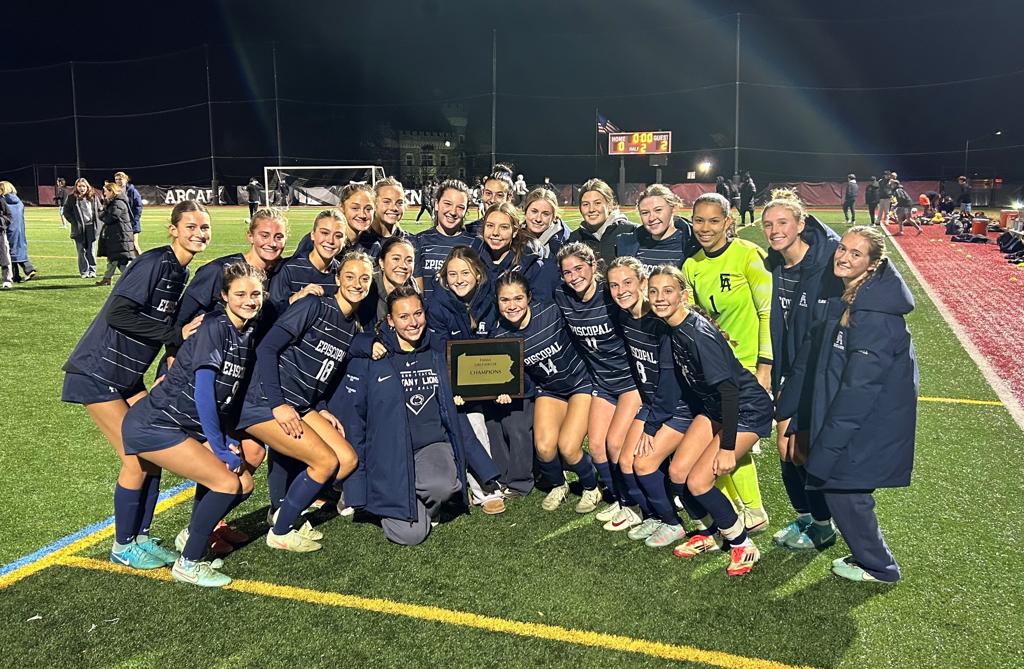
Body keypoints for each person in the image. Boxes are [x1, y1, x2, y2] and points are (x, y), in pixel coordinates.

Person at [61, 201, 210, 570]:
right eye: (191, 226)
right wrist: (175, 333)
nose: (199, 233)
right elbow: (118, 313)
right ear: (173, 229)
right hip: (98, 373)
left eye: (204, 227)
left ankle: (141, 536)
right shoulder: (154, 262)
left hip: (127, 377)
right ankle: (122, 545)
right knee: (135, 459)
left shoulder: (179, 271)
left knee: (153, 452)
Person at [777, 226, 917, 583]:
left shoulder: (873, 314)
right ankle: (862, 553)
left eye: (856, 254)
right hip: (850, 413)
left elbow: (861, 387)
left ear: (872, 264)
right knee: (839, 485)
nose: (843, 257)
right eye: (842, 248)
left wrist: (832, 439)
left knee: (845, 489)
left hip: (869, 419)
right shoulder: (850, 297)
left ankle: (879, 567)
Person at [120, 261, 265, 586]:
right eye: (240, 294)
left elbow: (224, 396)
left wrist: (224, 436)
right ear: (225, 296)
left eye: (255, 294)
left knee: (244, 484)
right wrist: (219, 447)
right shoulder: (215, 327)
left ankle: (194, 534)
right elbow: (203, 392)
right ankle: (189, 563)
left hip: (185, 426)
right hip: (156, 424)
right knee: (226, 483)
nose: (249, 300)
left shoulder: (246, 331)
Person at [236, 251, 373, 552]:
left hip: (301, 403)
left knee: (347, 460)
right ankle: (281, 530)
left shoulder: (352, 325)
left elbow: (319, 374)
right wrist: (278, 404)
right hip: (266, 400)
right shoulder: (314, 306)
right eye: (350, 276)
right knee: (325, 462)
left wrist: (321, 408)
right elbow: (267, 349)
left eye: (364, 278)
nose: (357, 283)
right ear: (337, 278)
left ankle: (283, 510)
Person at [648, 266, 773, 576]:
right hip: (716, 407)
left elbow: (730, 391)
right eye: (653, 291)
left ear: (683, 295)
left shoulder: (697, 334)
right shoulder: (671, 327)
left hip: (745, 409)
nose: (660, 297)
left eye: (667, 291)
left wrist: (727, 448)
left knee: (699, 481)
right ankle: (712, 532)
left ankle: (742, 544)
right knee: (677, 472)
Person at [334, 286, 485, 545]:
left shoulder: (437, 349)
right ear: (390, 320)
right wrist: (357, 483)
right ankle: (385, 495)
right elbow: (356, 420)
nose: (413, 322)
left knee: (443, 486)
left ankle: (411, 498)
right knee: (411, 535)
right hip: (389, 454)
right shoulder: (372, 354)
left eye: (418, 313)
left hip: (430, 446)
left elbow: (474, 363)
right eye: (403, 316)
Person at [684, 192, 771, 532]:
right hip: (715, 369)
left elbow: (767, 313)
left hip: (747, 366)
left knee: (732, 440)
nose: (705, 228)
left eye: (713, 220)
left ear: (728, 222)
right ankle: (737, 509)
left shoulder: (749, 255)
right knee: (720, 440)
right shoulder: (691, 266)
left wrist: (765, 366)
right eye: (698, 220)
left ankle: (753, 509)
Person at [761, 189, 841, 550]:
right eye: (768, 224)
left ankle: (824, 524)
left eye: (783, 222)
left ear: (801, 224)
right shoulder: (774, 265)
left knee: (800, 451)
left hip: (815, 374)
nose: (775, 230)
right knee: (786, 451)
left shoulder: (825, 266)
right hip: (788, 371)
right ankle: (807, 519)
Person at [606, 257, 696, 547]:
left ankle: (673, 523)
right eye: (614, 285)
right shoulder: (625, 318)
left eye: (628, 282)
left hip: (677, 408)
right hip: (652, 403)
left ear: (643, 283)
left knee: (643, 464)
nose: (621, 290)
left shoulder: (660, 322)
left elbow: (671, 384)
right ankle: (654, 515)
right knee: (625, 461)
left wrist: (652, 425)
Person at [492, 272, 599, 511]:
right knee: (543, 447)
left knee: (568, 448)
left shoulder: (551, 312)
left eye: (518, 298)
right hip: (549, 390)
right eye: (504, 300)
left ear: (529, 297)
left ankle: (592, 486)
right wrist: (509, 390)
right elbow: (518, 378)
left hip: (579, 383)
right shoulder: (500, 336)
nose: (512, 306)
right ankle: (559, 485)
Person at [555, 242, 643, 518]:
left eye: (579, 268)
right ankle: (620, 499)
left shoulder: (610, 293)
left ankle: (637, 504)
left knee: (615, 444)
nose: (574, 277)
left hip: (629, 382)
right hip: (602, 383)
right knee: (595, 446)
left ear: (593, 266)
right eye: (567, 272)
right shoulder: (562, 295)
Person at [426, 246, 506, 514]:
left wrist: (502, 384)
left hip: (485, 381)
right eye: (452, 274)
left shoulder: (490, 298)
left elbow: (499, 345)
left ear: (478, 274)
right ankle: (486, 489)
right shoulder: (437, 305)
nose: (458, 279)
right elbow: (439, 354)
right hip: (452, 385)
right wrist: (454, 389)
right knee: (472, 420)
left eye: (465, 273)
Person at [413, 179, 483, 302]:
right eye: (447, 204)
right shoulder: (419, 241)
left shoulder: (475, 244)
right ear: (436, 204)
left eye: (460, 207)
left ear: (466, 211)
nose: (453, 212)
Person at [267, 209, 347, 315]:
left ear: (344, 241)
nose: (330, 240)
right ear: (312, 235)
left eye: (338, 236)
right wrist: (298, 297)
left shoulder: (343, 274)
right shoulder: (289, 269)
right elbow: (272, 314)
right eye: (324, 233)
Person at [479, 201, 557, 299]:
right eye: (490, 225)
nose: (495, 233)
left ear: (515, 231)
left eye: (504, 227)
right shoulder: (473, 258)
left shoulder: (529, 262)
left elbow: (540, 303)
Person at [616, 183, 699, 274]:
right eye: (645, 213)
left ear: (673, 209)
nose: (651, 218)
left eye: (658, 210)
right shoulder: (630, 245)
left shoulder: (692, 245)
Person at [566, 178, 637, 267]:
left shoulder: (631, 231)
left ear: (609, 205)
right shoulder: (574, 239)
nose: (591, 209)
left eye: (597, 203)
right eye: (585, 204)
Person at [361, 236, 418, 327]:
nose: (403, 265)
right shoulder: (368, 287)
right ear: (381, 263)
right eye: (396, 259)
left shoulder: (413, 287)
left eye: (409, 260)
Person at [96, 182, 136, 286]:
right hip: (118, 235)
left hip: (120, 236)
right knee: (115, 259)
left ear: (111, 191)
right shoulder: (115, 202)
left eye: (105, 191)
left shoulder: (118, 203)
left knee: (118, 260)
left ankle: (132, 280)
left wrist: (101, 213)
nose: (104, 194)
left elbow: (110, 218)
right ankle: (107, 278)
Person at [63, 178, 102, 279]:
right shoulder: (72, 198)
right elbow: (66, 211)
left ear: (87, 187)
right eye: (79, 186)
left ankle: (92, 270)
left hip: (92, 227)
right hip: (79, 229)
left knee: (91, 250)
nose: (82, 188)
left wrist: (99, 223)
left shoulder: (93, 197)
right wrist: (74, 221)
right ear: (76, 187)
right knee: (81, 250)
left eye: (84, 186)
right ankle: (84, 271)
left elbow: (100, 210)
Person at [0, 181, 37, 283]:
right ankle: (17, 275)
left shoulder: (3, 201)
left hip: (8, 229)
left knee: (9, 252)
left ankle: (27, 269)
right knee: (17, 250)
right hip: (20, 229)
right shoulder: (18, 201)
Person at [521, 187, 570, 261]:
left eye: (545, 214)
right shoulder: (512, 236)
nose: (538, 219)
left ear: (554, 217)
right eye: (534, 211)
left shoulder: (566, 243)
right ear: (525, 211)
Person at [367, 176, 407, 258]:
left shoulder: (410, 241)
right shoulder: (359, 241)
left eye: (399, 203)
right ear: (374, 203)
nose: (394, 208)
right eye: (387, 202)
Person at [468, 170, 514, 236]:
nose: (492, 200)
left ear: (509, 198)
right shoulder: (469, 230)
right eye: (488, 193)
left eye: (499, 195)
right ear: (482, 194)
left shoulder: (516, 232)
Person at [114, 171, 143, 254]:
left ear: (126, 179)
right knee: (122, 246)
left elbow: (138, 206)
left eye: (120, 179)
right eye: (116, 179)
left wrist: (134, 220)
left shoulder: (132, 191)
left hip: (132, 223)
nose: (118, 181)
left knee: (134, 245)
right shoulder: (115, 191)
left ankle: (142, 261)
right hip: (120, 223)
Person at [0, 196, 11, 289]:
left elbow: (8, 215)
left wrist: (1, 222)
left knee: (3, 256)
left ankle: (6, 279)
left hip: (0, 233)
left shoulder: (1, 200)